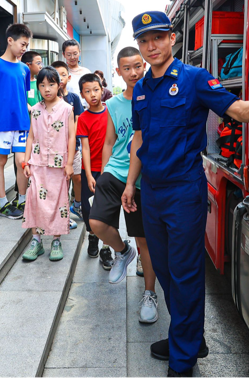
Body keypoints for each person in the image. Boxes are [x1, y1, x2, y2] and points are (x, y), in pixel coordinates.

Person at [123, 11, 249, 378]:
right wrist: (132, 183)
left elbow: (237, 110)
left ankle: (183, 359)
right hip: (151, 191)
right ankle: (190, 337)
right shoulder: (142, 89)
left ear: (172, 39)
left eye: (158, 38)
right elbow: (139, 139)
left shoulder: (194, 79)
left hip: (183, 192)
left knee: (185, 274)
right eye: (144, 40)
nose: (152, 46)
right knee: (164, 271)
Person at [89, 46, 158, 324]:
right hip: (116, 171)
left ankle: (150, 293)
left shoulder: (154, 97)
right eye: (126, 68)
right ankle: (122, 251)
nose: (133, 73)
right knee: (96, 223)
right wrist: (104, 171)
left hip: (144, 177)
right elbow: (109, 141)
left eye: (137, 66)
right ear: (118, 72)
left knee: (144, 240)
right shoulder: (115, 104)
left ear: (145, 65)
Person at [20, 66, 76, 262]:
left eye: (51, 84)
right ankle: (36, 240)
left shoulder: (67, 109)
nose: (47, 89)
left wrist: (69, 163)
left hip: (59, 164)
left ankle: (56, 240)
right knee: (34, 199)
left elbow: (71, 137)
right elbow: (31, 137)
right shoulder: (35, 110)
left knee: (59, 201)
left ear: (58, 85)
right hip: (37, 162)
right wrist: (26, 161)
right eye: (42, 85)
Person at [0, 23, 33, 219]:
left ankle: (22, 199)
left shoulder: (24, 69)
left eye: (27, 45)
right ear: (10, 40)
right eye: (22, 43)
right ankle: (3, 203)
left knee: (22, 162)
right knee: (0, 161)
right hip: (1, 123)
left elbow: (24, 96)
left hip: (21, 123)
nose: (24, 48)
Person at [76, 73, 113, 269]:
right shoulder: (82, 118)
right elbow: (85, 148)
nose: (93, 94)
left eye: (96, 90)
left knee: (107, 209)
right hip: (89, 170)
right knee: (88, 208)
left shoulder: (111, 112)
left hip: (110, 170)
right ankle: (92, 237)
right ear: (82, 94)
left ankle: (106, 248)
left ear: (102, 90)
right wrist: (89, 175)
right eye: (87, 91)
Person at [52, 61, 86, 230]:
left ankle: (77, 205)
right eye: (56, 75)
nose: (60, 78)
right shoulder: (49, 99)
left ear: (69, 77)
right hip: (55, 149)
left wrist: (76, 144)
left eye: (63, 74)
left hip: (74, 146)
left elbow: (77, 122)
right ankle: (62, 213)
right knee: (60, 182)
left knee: (77, 178)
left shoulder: (74, 98)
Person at [61, 39, 91, 104]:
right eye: (69, 55)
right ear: (63, 54)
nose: (72, 57)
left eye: (75, 54)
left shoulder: (86, 72)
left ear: (79, 53)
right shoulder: (61, 73)